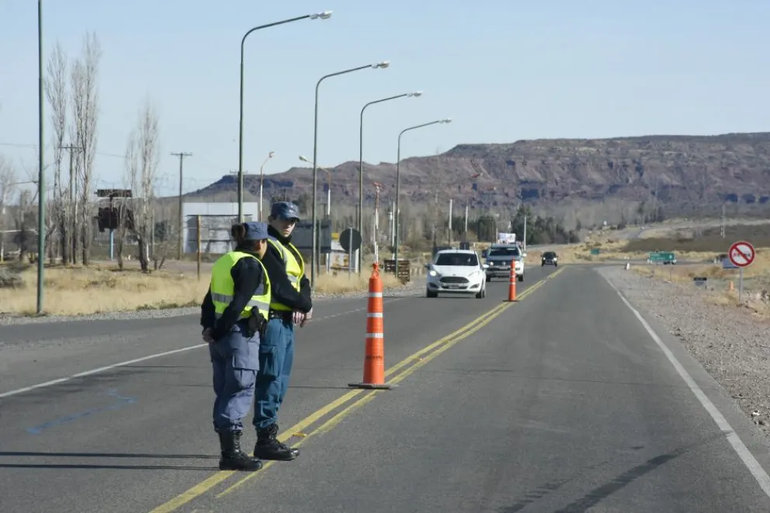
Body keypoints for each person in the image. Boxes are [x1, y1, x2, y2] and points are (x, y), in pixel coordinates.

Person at [200, 221, 272, 472]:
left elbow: (209, 301)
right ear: (260, 242)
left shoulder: (225, 261)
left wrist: (209, 328)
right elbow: (239, 303)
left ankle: (227, 451)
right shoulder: (251, 265)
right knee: (240, 389)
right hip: (239, 334)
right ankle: (231, 454)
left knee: (225, 390)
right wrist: (220, 330)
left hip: (221, 338)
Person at [252, 201, 313, 461]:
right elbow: (279, 285)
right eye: (284, 220)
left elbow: (303, 281)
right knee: (270, 379)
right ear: (271, 219)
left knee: (281, 381)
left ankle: (270, 435)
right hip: (273, 320)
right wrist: (304, 304)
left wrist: (305, 303)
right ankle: (265, 439)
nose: (289, 225)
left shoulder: (290, 249)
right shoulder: (267, 246)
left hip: (286, 321)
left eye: (293, 221)